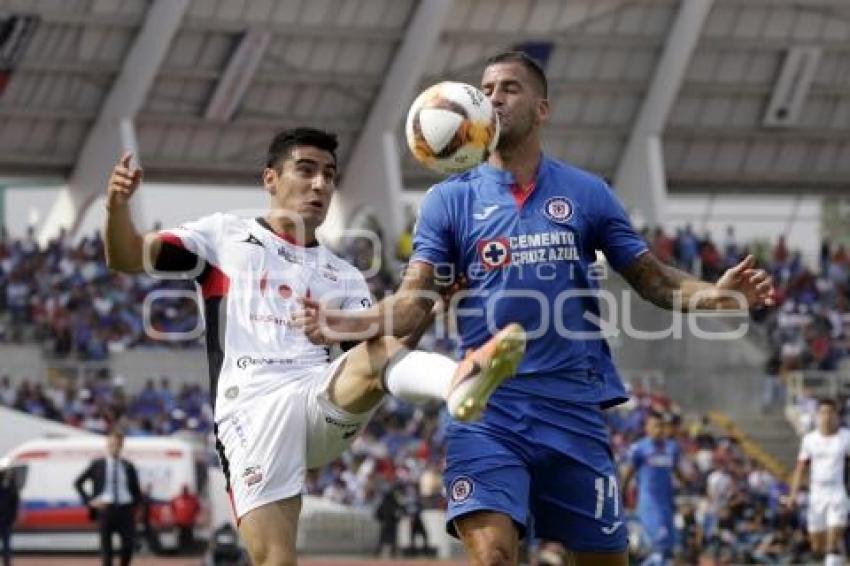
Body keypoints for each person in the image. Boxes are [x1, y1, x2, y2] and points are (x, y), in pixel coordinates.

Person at [296, 51, 776, 565]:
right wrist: (347, 322)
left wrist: (716, 295)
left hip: (572, 411)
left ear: (542, 108)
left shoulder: (588, 193)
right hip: (485, 410)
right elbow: (415, 303)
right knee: (495, 555)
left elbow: (654, 281)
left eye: (509, 88)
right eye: (487, 88)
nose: (493, 98)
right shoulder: (448, 201)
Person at [103, 126, 527, 566]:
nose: (320, 184)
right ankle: (457, 380)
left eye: (329, 175)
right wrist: (117, 206)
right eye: (306, 170)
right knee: (276, 560)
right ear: (270, 178)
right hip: (251, 410)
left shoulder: (343, 274)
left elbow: (387, 354)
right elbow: (126, 256)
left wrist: (432, 302)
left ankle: (458, 379)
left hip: (319, 400)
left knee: (375, 353)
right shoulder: (223, 236)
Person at [785, 398, 850, 566]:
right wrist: (793, 495)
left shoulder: (846, 437)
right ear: (817, 415)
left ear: (837, 415)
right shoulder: (809, 440)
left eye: (831, 412)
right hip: (816, 494)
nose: (827, 417)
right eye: (823, 413)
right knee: (817, 545)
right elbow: (800, 468)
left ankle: (834, 556)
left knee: (833, 539)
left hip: (837, 492)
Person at [621, 412, 687, 566]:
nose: (659, 429)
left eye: (662, 426)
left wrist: (686, 484)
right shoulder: (639, 448)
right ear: (647, 428)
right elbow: (627, 473)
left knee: (669, 549)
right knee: (657, 547)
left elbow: (676, 470)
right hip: (649, 505)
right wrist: (620, 496)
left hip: (667, 504)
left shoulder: (671, 447)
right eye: (655, 425)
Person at [73, 429, 142, 566]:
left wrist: (138, 509)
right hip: (106, 510)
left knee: (128, 546)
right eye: (111, 444)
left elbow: (136, 490)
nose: (114, 448)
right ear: (107, 445)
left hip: (125, 510)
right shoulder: (98, 465)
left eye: (117, 445)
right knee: (106, 549)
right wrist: (90, 501)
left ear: (121, 446)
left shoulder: (128, 466)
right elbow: (78, 483)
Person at [0, 461, 20, 566]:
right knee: (6, 544)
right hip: (7, 519)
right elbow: (15, 502)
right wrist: (13, 517)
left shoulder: (11, 485)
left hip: (6, 519)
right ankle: (7, 563)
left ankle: (7, 562)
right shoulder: (11, 484)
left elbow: (15, 502)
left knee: (6, 544)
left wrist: (13, 517)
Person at [170, 484, 200, 554]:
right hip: (179, 523)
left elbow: (198, 508)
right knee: (181, 537)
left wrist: (194, 517)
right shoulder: (176, 498)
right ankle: (181, 551)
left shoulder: (192, 499)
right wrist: (175, 517)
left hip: (189, 522)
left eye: (185, 489)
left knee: (189, 537)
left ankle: (189, 551)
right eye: (183, 489)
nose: (184, 491)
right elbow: (172, 507)